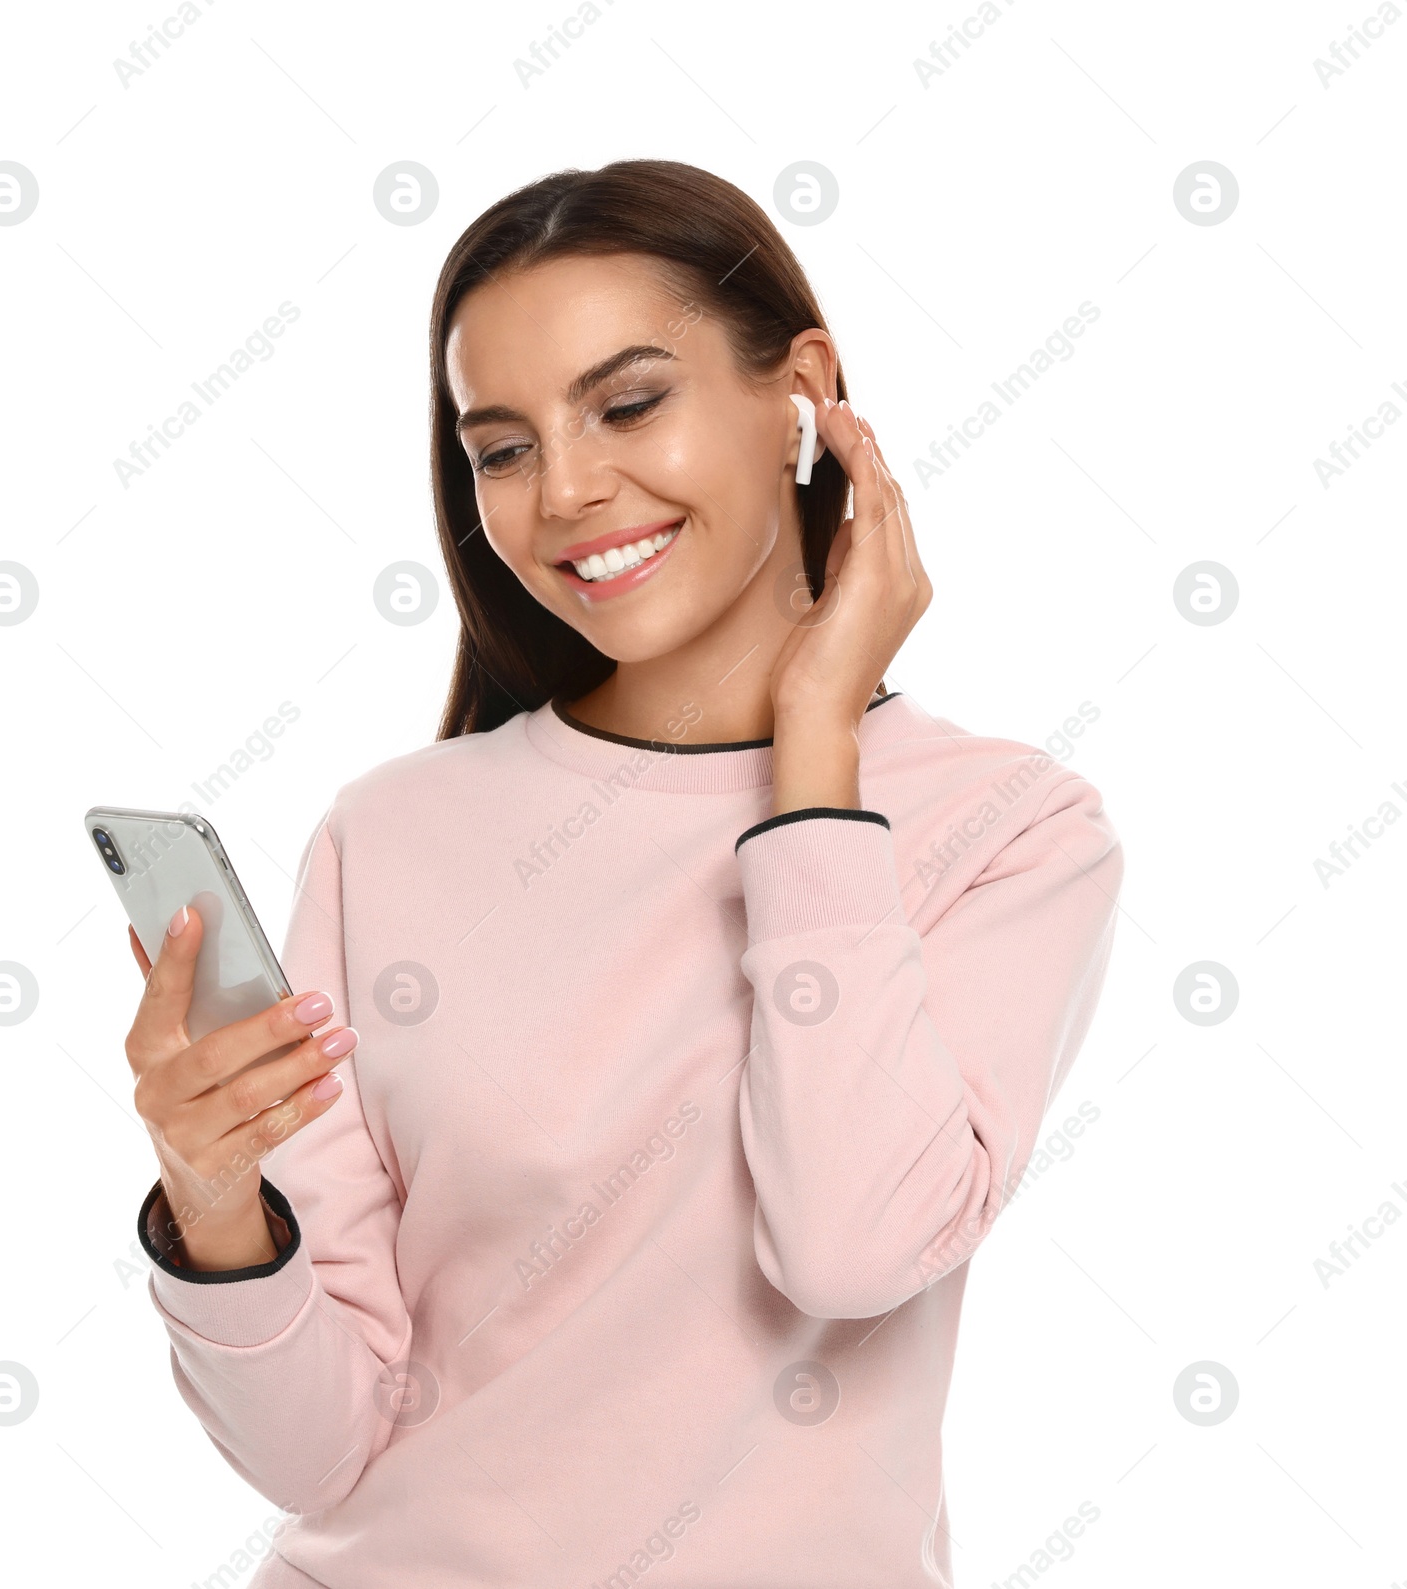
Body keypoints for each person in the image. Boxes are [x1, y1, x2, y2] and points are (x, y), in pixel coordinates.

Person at [122, 158, 1123, 1588]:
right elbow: (311, 1451)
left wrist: (818, 743)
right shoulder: (387, 835)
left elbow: (850, 1248)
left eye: (628, 402)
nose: (570, 491)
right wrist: (216, 1206)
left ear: (804, 390)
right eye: (504, 446)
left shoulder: (1008, 828)